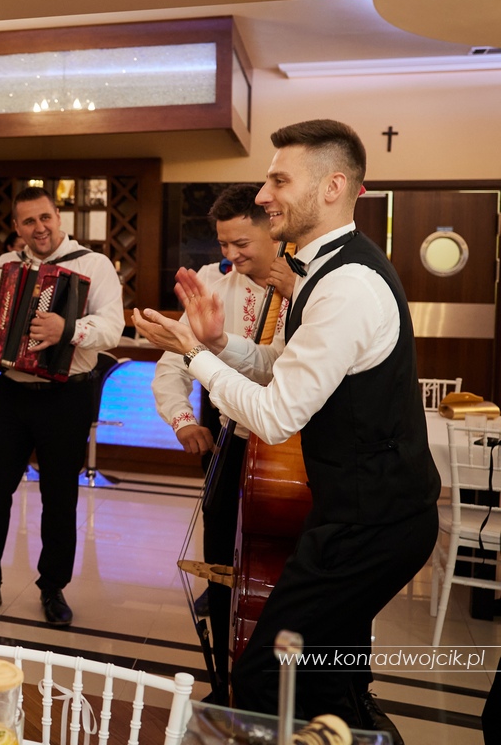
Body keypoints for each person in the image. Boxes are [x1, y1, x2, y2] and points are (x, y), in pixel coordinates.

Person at [134, 120, 439, 741]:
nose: (264, 194)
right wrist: (218, 342)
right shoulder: (324, 272)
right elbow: (283, 365)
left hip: (372, 522)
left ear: (332, 187)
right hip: (358, 510)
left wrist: (192, 353)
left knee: (266, 680)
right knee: (327, 684)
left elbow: (276, 416)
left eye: (278, 180)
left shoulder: (347, 285)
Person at [150, 183, 294, 699]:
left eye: (241, 243)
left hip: (286, 439)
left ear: (272, 232)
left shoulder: (302, 283)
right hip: (228, 427)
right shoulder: (213, 282)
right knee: (219, 533)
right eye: (223, 244)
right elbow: (173, 363)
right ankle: (222, 653)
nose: (230, 254)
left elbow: (279, 369)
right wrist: (184, 419)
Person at [0, 186, 123, 626]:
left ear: (58, 217)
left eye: (45, 217)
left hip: (66, 396)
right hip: (10, 391)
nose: (39, 228)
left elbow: (113, 328)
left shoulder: (94, 264)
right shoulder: (5, 265)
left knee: (59, 497)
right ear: (17, 227)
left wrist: (66, 329)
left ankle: (53, 587)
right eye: (29, 221)